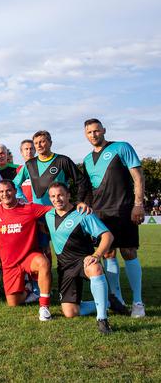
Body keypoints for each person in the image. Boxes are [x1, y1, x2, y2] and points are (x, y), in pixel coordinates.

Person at [83, 118, 146, 318]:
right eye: (89, 132)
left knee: (128, 252)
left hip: (124, 209)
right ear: (86, 135)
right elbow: (90, 190)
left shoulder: (122, 147)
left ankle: (138, 302)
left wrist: (138, 204)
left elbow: (138, 177)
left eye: (96, 130)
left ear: (104, 130)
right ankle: (117, 300)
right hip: (101, 213)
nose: (94, 135)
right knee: (108, 254)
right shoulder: (86, 159)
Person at [0, 181, 54, 320]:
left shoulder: (29, 207)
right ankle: (28, 288)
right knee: (13, 302)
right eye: (1, 192)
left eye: (8, 190)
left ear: (15, 191)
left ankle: (44, 307)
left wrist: (77, 205)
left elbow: (54, 210)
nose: (5, 194)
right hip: (9, 262)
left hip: (29, 256)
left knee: (43, 263)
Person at [46, 182, 114, 333]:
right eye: (53, 196)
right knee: (70, 312)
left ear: (69, 195)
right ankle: (108, 302)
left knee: (95, 268)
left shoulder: (83, 213)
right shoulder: (48, 214)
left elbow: (107, 236)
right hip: (65, 267)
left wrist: (96, 255)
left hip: (83, 260)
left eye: (60, 195)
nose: (57, 199)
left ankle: (102, 319)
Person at [13, 130, 91, 261]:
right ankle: (46, 279)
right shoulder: (30, 165)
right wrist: (24, 200)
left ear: (50, 143)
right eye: (36, 143)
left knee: (67, 246)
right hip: (39, 215)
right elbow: (15, 184)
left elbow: (81, 181)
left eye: (42, 141)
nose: (39, 145)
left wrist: (79, 201)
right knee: (43, 249)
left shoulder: (62, 160)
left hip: (61, 212)